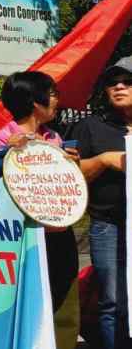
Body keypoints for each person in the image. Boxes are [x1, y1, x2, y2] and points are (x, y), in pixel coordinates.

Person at [0, 71, 80, 349]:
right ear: (34, 101)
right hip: (22, 239)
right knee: (24, 303)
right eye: (51, 94)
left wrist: (71, 166)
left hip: (58, 233)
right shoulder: (1, 139)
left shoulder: (54, 138)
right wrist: (4, 155)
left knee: (64, 305)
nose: (57, 100)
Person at [68, 56, 132, 349]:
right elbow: (70, 174)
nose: (119, 87)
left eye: (128, 82)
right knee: (113, 300)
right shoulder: (90, 127)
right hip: (109, 226)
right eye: (112, 82)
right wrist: (105, 160)